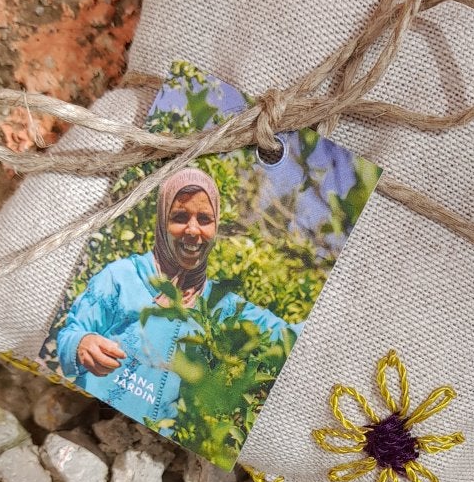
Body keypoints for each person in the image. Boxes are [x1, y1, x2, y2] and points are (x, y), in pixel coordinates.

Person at [53, 166, 297, 424]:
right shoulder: (121, 277)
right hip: (91, 419)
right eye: (180, 217)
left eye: (204, 219)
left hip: (160, 443)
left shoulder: (221, 305)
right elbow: (70, 333)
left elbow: (287, 337)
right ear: (161, 222)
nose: (193, 230)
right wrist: (82, 344)